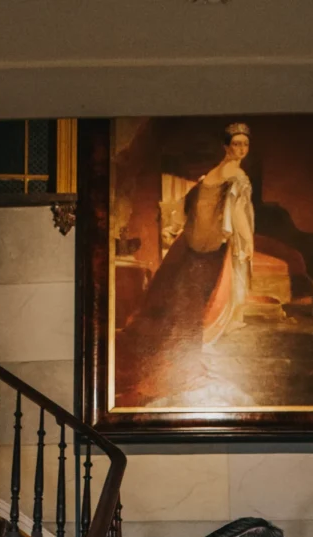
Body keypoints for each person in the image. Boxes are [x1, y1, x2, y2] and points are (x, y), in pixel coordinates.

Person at [116, 122, 255, 406]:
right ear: (226, 147)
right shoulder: (236, 175)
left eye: (245, 144)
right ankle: (178, 373)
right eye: (236, 144)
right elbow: (238, 214)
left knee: (178, 310)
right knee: (186, 312)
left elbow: (190, 211)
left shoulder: (211, 175)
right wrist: (248, 242)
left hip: (187, 250)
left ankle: (174, 367)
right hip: (204, 252)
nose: (241, 149)